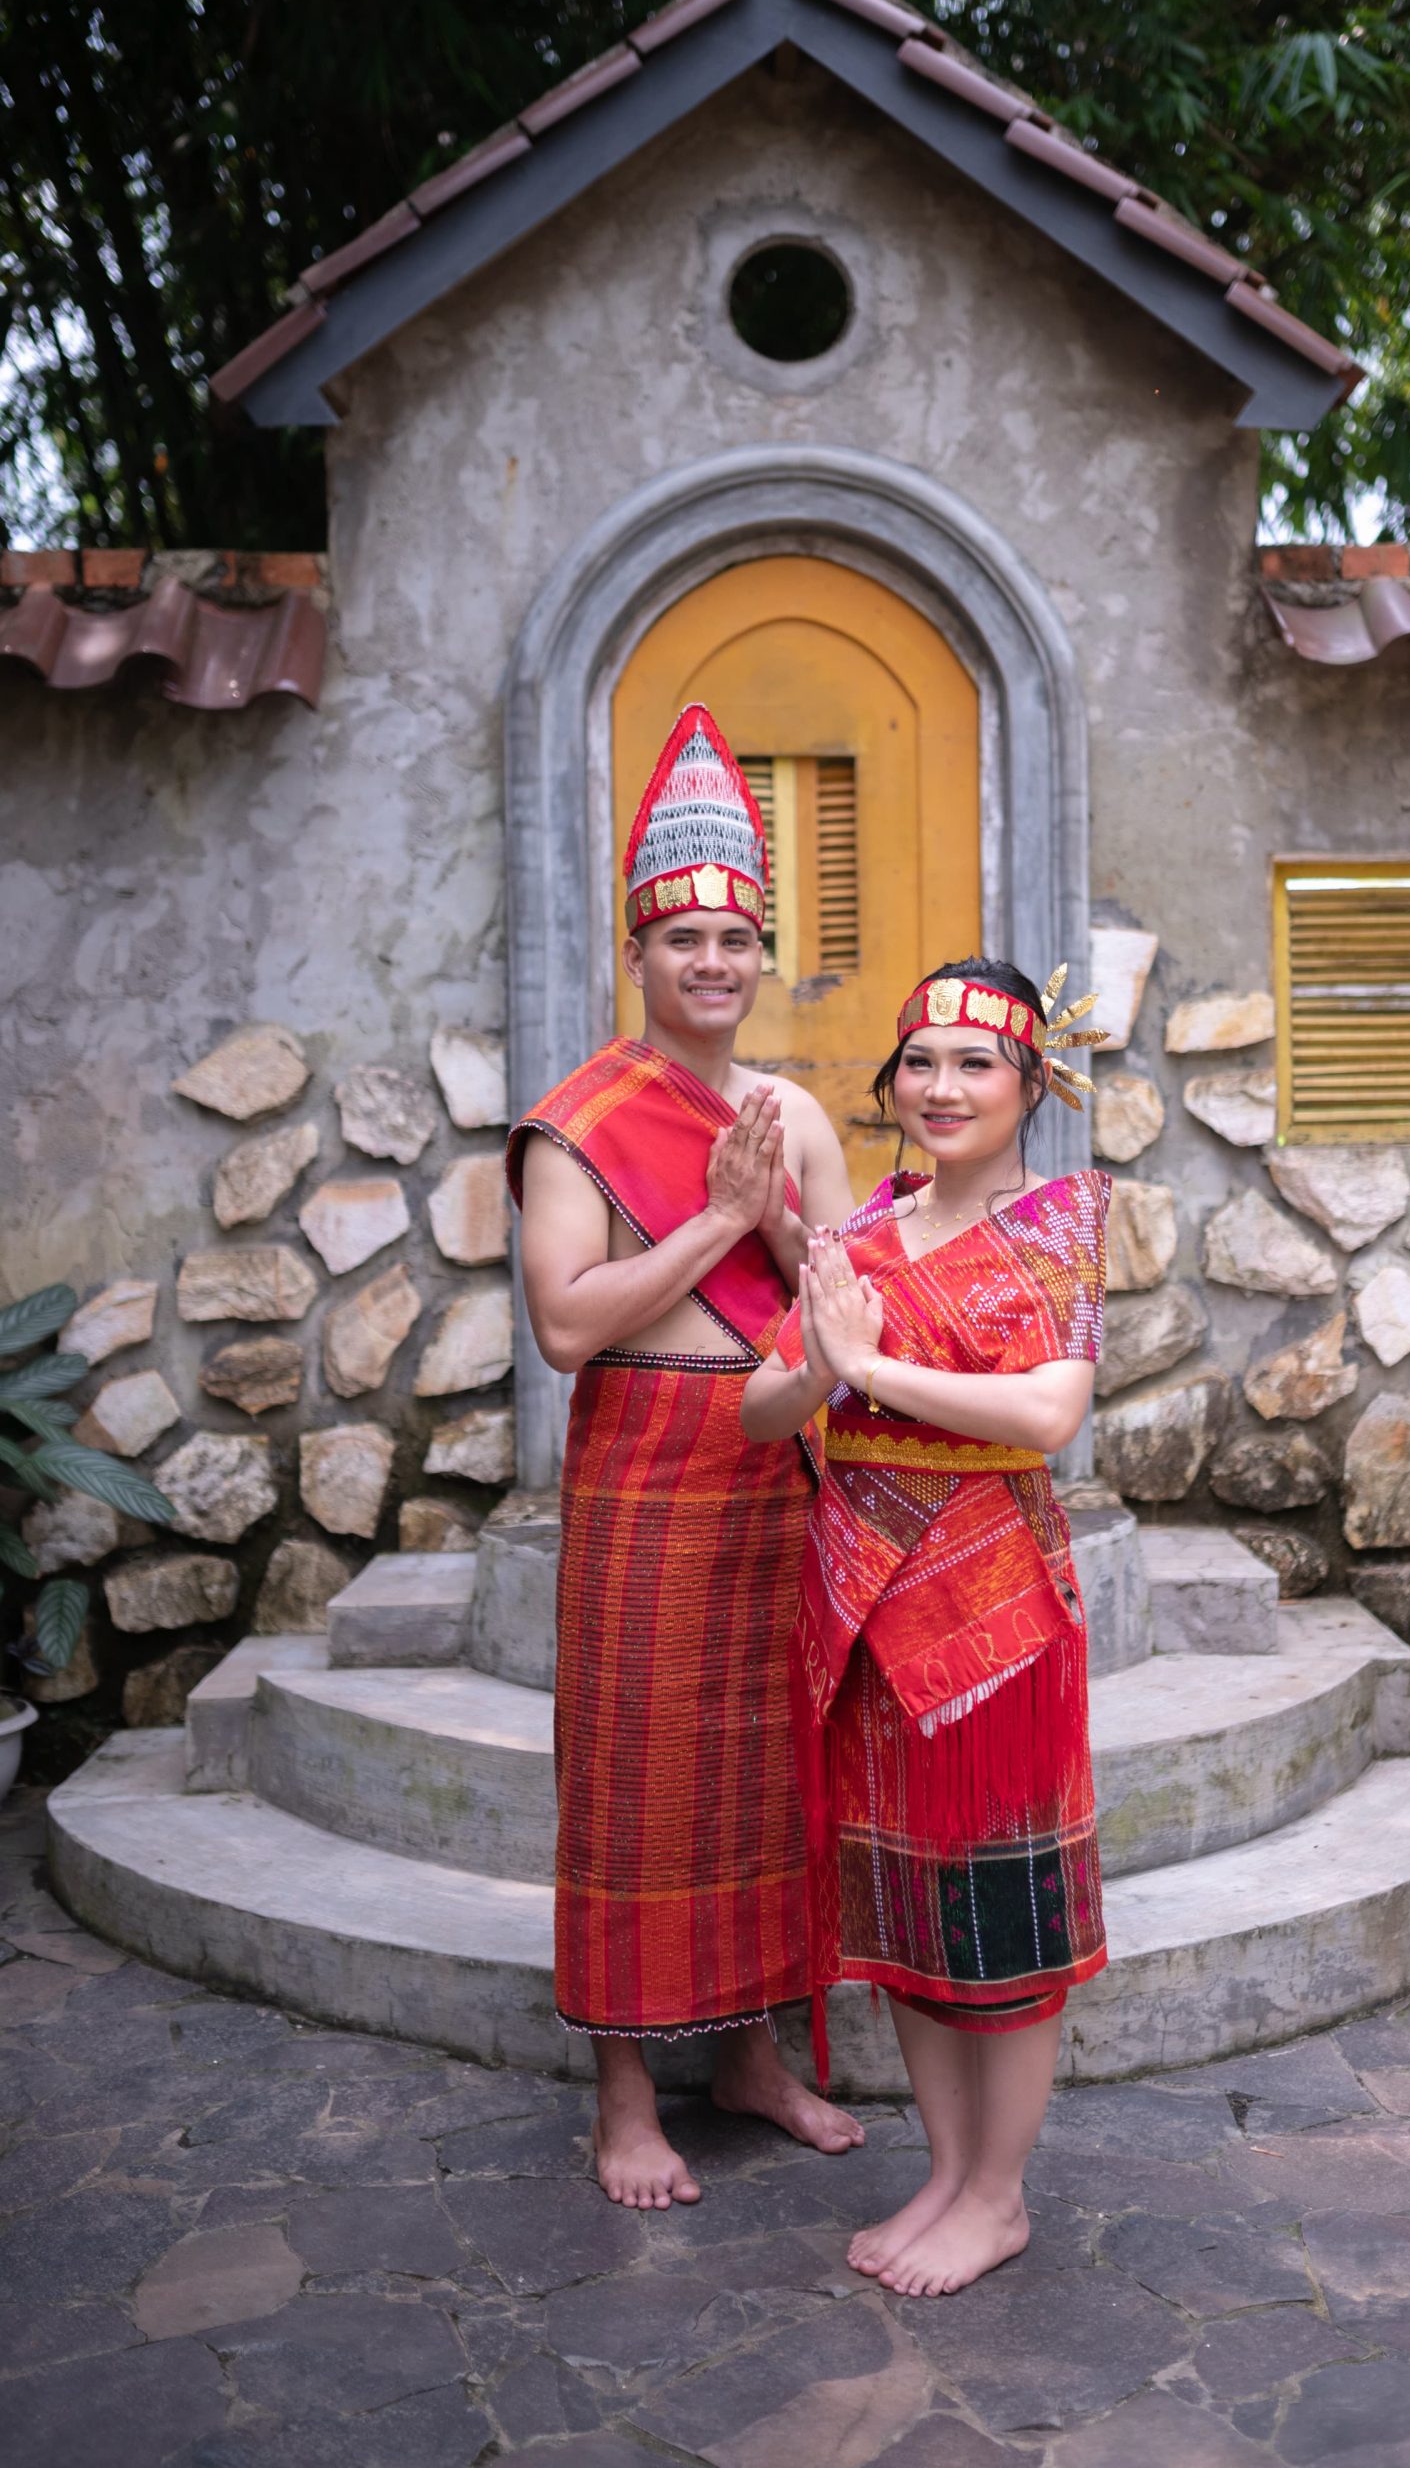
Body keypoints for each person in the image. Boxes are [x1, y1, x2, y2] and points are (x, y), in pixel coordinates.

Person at [507, 702, 863, 2210]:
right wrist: (718, 1219)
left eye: (734, 939)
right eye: (683, 941)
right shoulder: (575, 1125)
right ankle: (625, 2098)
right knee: (638, 1777)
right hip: (643, 1473)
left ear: (757, 952)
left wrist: (768, 1211)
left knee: (769, 1769)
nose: (712, 962)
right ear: (636, 955)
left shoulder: (792, 1114)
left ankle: (753, 2059)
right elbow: (565, 1327)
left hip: (773, 1470)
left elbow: (839, 1297)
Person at [741, 956, 1110, 2296]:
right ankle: (948, 2177)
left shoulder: (1059, 1225)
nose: (942, 1087)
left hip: (993, 1616)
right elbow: (759, 1407)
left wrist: (868, 1367)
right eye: (921, 1062)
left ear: (1031, 1083)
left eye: (976, 1064)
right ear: (892, 1079)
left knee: (1000, 1915)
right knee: (904, 1907)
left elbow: (1048, 1414)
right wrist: (818, 1368)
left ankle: (998, 2198)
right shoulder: (862, 1237)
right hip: (861, 1608)